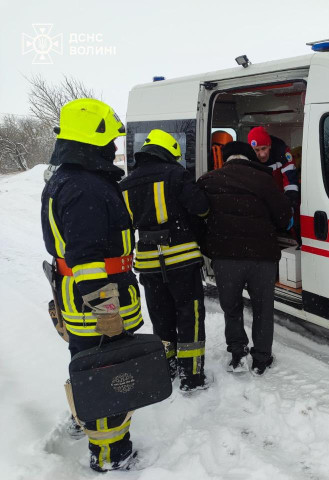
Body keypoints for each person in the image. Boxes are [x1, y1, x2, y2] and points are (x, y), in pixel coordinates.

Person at [41, 98, 142, 472]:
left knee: (88, 368)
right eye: (108, 142)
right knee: (107, 377)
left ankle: (87, 418)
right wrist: (107, 312)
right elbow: (86, 259)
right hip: (97, 306)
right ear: (91, 141)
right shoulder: (85, 187)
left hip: (86, 302)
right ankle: (111, 454)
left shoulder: (71, 180)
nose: (113, 148)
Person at [119, 129, 210, 391]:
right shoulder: (176, 174)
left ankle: (167, 366)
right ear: (170, 152)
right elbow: (201, 207)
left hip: (148, 264)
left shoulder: (126, 184)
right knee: (190, 315)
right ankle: (192, 375)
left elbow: (124, 226)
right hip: (182, 260)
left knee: (161, 317)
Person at [197, 141, 292, 375]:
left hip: (226, 259)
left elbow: (196, 219)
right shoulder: (264, 179)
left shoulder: (208, 181)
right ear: (250, 158)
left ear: (225, 158)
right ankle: (261, 359)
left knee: (232, 308)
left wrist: (211, 248)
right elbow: (283, 217)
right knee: (262, 309)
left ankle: (238, 353)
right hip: (262, 258)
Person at [247, 126, 299, 204]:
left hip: (282, 197)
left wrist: (289, 203)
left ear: (269, 145)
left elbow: (291, 181)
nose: (262, 154)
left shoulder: (282, 153)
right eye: (257, 150)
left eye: (264, 148)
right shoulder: (248, 158)